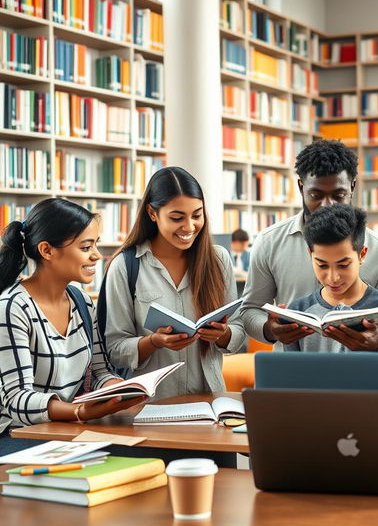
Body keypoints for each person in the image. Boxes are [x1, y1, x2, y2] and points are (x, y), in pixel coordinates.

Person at [0, 199, 144, 456]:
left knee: (146, 453)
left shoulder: (81, 301)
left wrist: (117, 388)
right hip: (18, 435)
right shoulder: (12, 308)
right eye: (86, 246)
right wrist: (79, 411)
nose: (97, 255)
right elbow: (17, 400)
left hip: (67, 429)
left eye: (96, 244)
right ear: (47, 250)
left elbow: (99, 371)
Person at [239, 139, 378, 352]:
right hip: (295, 372)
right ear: (301, 187)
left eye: (338, 195)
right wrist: (269, 330)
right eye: (316, 195)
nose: (327, 205)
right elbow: (250, 309)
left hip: (362, 374)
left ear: (352, 186)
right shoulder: (269, 242)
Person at [103, 166, 245, 401]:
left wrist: (222, 334)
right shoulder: (126, 266)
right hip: (149, 405)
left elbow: (238, 331)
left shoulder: (218, 260)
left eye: (197, 215)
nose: (189, 227)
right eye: (177, 218)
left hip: (210, 402)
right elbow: (115, 348)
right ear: (152, 213)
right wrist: (153, 342)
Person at [285, 204, 378, 353]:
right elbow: (290, 372)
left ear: (362, 255)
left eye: (343, 265)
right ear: (310, 254)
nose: (333, 278)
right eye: (322, 265)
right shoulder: (297, 311)